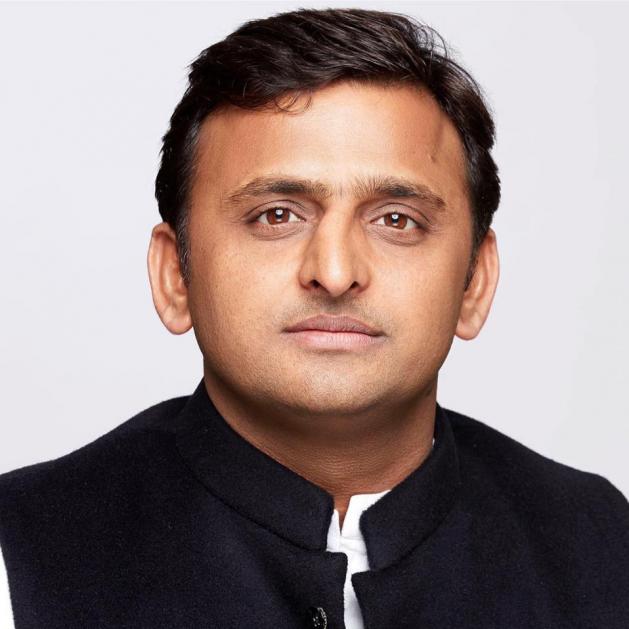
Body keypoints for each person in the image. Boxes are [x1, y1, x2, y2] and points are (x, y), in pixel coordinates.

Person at [1, 7, 628, 628]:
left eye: (397, 220)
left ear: (475, 281)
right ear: (175, 275)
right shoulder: (20, 551)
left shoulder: (602, 544)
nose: (334, 271)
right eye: (276, 215)